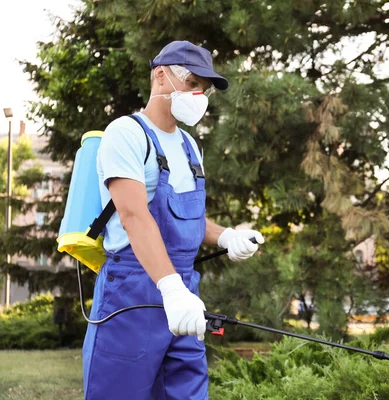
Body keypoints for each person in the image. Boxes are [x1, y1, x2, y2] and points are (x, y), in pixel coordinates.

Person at [82, 40, 265, 399]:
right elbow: (135, 216)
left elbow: (182, 215)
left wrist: (226, 236)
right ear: (161, 76)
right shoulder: (126, 134)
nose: (200, 95)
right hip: (132, 293)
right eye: (194, 83)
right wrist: (170, 289)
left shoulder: (189, 146)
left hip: (184, 292)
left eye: (206, 89)